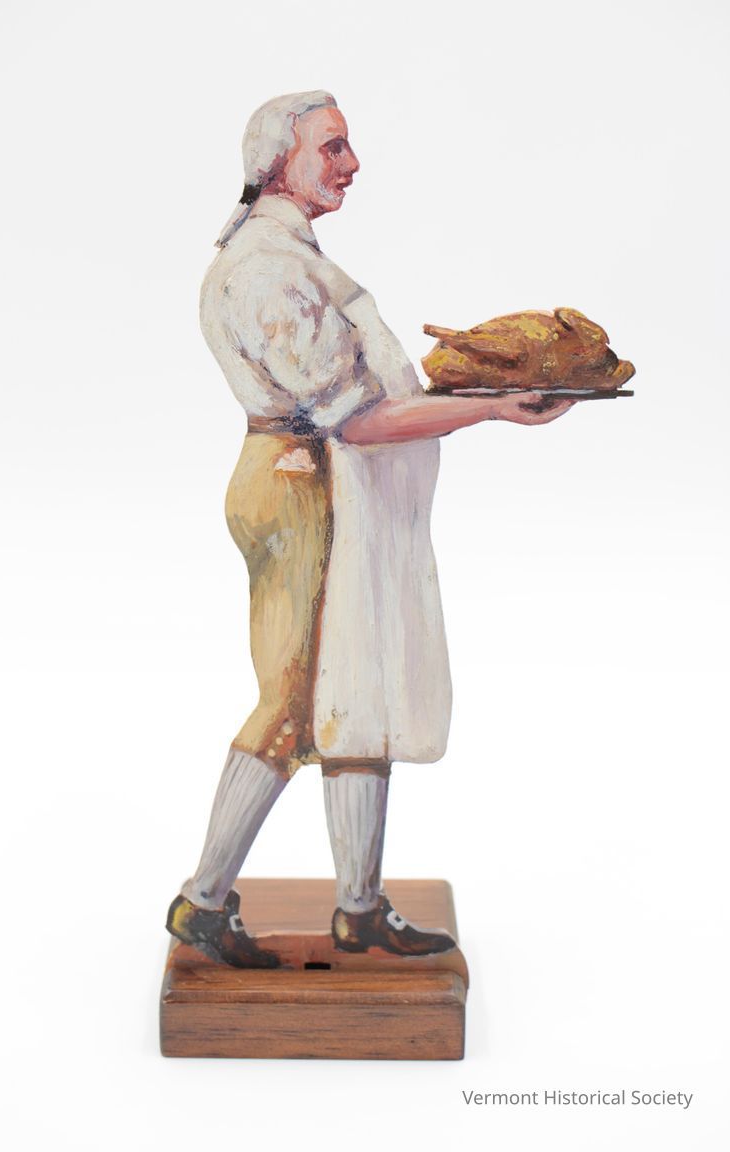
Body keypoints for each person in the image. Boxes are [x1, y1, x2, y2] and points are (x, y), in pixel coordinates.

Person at [166, 91, 574, 967]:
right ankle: (202, 901)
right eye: (333, 147)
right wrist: (493, 406)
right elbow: (355, 419)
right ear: (276, 161)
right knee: (294, 706)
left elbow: (366, 401)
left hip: (322, 485)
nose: (352, 165)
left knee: (358, 690)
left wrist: (476, 385)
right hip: (299, 488)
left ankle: (358, 907)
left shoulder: (287, 256)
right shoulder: (267, 269)